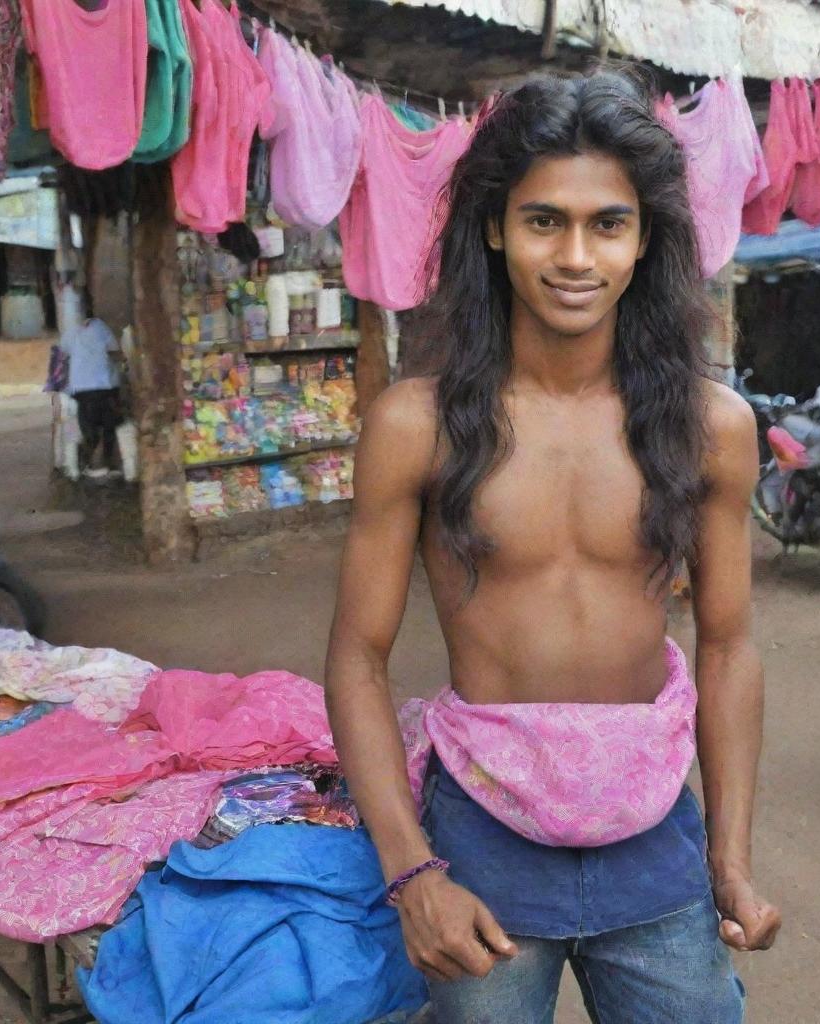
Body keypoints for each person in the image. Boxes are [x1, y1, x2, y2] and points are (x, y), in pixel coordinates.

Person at [325, 68, 781, 1024]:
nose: (576, 255)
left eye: (607, 223)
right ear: (494, 228)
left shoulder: (710, 427)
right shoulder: (418, 425)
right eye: (544, 221)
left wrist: (729, 861)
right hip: (478, 842)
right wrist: (411, 875)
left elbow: (729, 646)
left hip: (654, 832)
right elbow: (358, 660)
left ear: (645, 237)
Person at [58, 306, 124, 474]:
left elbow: (62, 354)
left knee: (89, 427)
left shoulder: (70, 331)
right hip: (103, 387)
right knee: (110, 425)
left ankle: (89, 464)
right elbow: (115, 352)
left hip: (80, 389)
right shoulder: (101, 327)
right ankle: (106, 462)